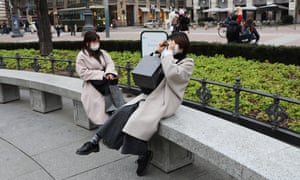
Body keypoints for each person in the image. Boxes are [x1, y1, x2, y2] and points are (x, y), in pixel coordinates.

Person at [75, 32, 194, 176]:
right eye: (170, 42)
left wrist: (167, 53)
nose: (171, 45)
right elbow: (147, 67)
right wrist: (158, 52)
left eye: (174, 43)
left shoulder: (187, 63)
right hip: (149, 97)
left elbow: (172, 74)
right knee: (121, 112)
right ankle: (94, 141)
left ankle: (143, 154)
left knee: (135, 122)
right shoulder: (166, 56)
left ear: (182, 45)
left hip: (165, 101)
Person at [76, 31, 118, 125]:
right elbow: (82, 73)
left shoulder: (102, 53)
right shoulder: (82, 55)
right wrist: (101, 74)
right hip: (91, 84)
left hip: (106, 83)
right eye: (94, 42)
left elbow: (109, 63)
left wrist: (109, 73)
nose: (96, 44)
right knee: (99, 106)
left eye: (97, 41)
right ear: (87, 43)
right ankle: (104, 128)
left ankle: (111, 126)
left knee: (116, 102)